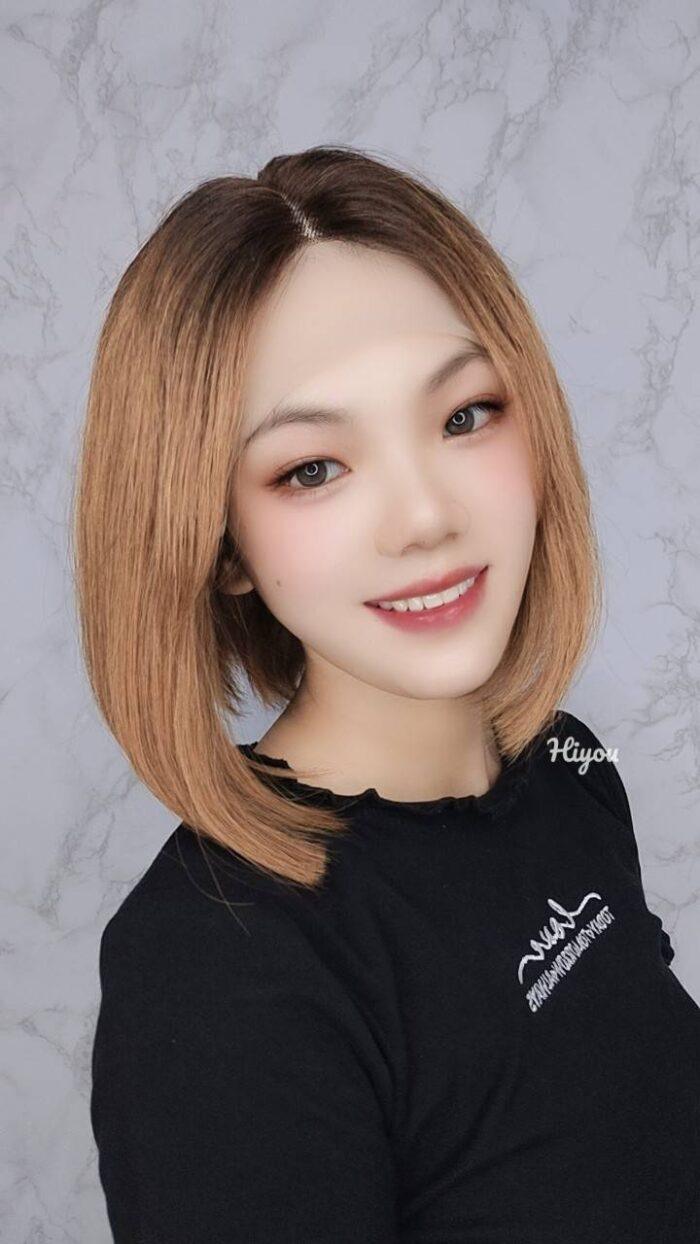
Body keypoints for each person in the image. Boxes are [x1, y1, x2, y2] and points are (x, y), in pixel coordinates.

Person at [73, 145, 700, 1243]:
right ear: (219, 545)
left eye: (464, 415)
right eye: (312, 468)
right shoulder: (211, 967)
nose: (424, 517)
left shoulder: (571, 767)